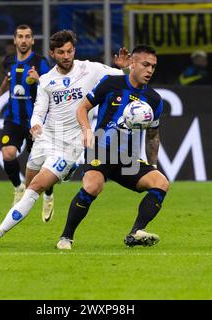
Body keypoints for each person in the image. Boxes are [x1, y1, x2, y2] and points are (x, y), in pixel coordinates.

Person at [0, 29, 131, 247]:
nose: (66, 56)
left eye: (70, 51)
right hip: (46, 139)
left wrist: (124, 67)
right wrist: (35, 124)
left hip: (69, 145)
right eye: (61, 52)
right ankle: (55, 186)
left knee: (35, 189)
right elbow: (39, 110)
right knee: (29, 183)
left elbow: (122, 78)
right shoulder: (46, 80)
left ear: (74, 50)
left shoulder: (90, 69)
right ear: (52, 53)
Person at [56, 45, 169, 250]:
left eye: (153, 66)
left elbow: (153, 136)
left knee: (161, 183)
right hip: (101, 148)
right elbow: (83, 108)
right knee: (93, 186)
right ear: (132, 63)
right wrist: (87, 131)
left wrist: (152, 164)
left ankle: (136, 232)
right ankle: (66, 238)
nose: (150, 70)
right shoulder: (111, 84)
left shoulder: (154, 100)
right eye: (145, 64)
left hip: (128, 158)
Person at [0, 24, 54, 221]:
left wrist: (39, 79)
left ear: (33, 40)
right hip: (14, 118)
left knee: (41, 164)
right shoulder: (9, 61)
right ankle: (18, 188)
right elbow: (9, 79)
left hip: (36, 121)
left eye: (28, 37)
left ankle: (49, 197)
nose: (24, 40)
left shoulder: (40, 62)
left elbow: (53, 85)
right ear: (15, 40)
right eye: (20, 36)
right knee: (8, 154)